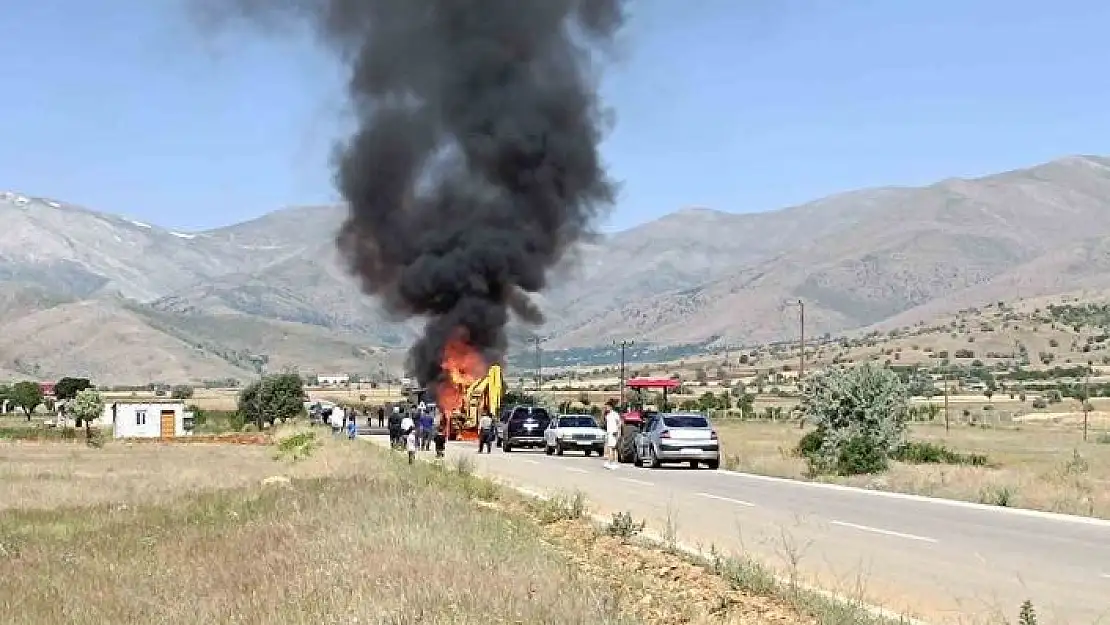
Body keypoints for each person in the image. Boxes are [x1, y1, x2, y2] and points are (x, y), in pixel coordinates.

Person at [603, 399, 621, 470]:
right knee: (610, 448)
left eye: (607, 406)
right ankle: (610, 462)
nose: (606, 408)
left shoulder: (615, 414)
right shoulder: (608, 415)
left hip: (614, 433)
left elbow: (619, 423)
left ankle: (614, 463)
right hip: (609, 433)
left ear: (611, 407)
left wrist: (617, 432)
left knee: (613, 448)